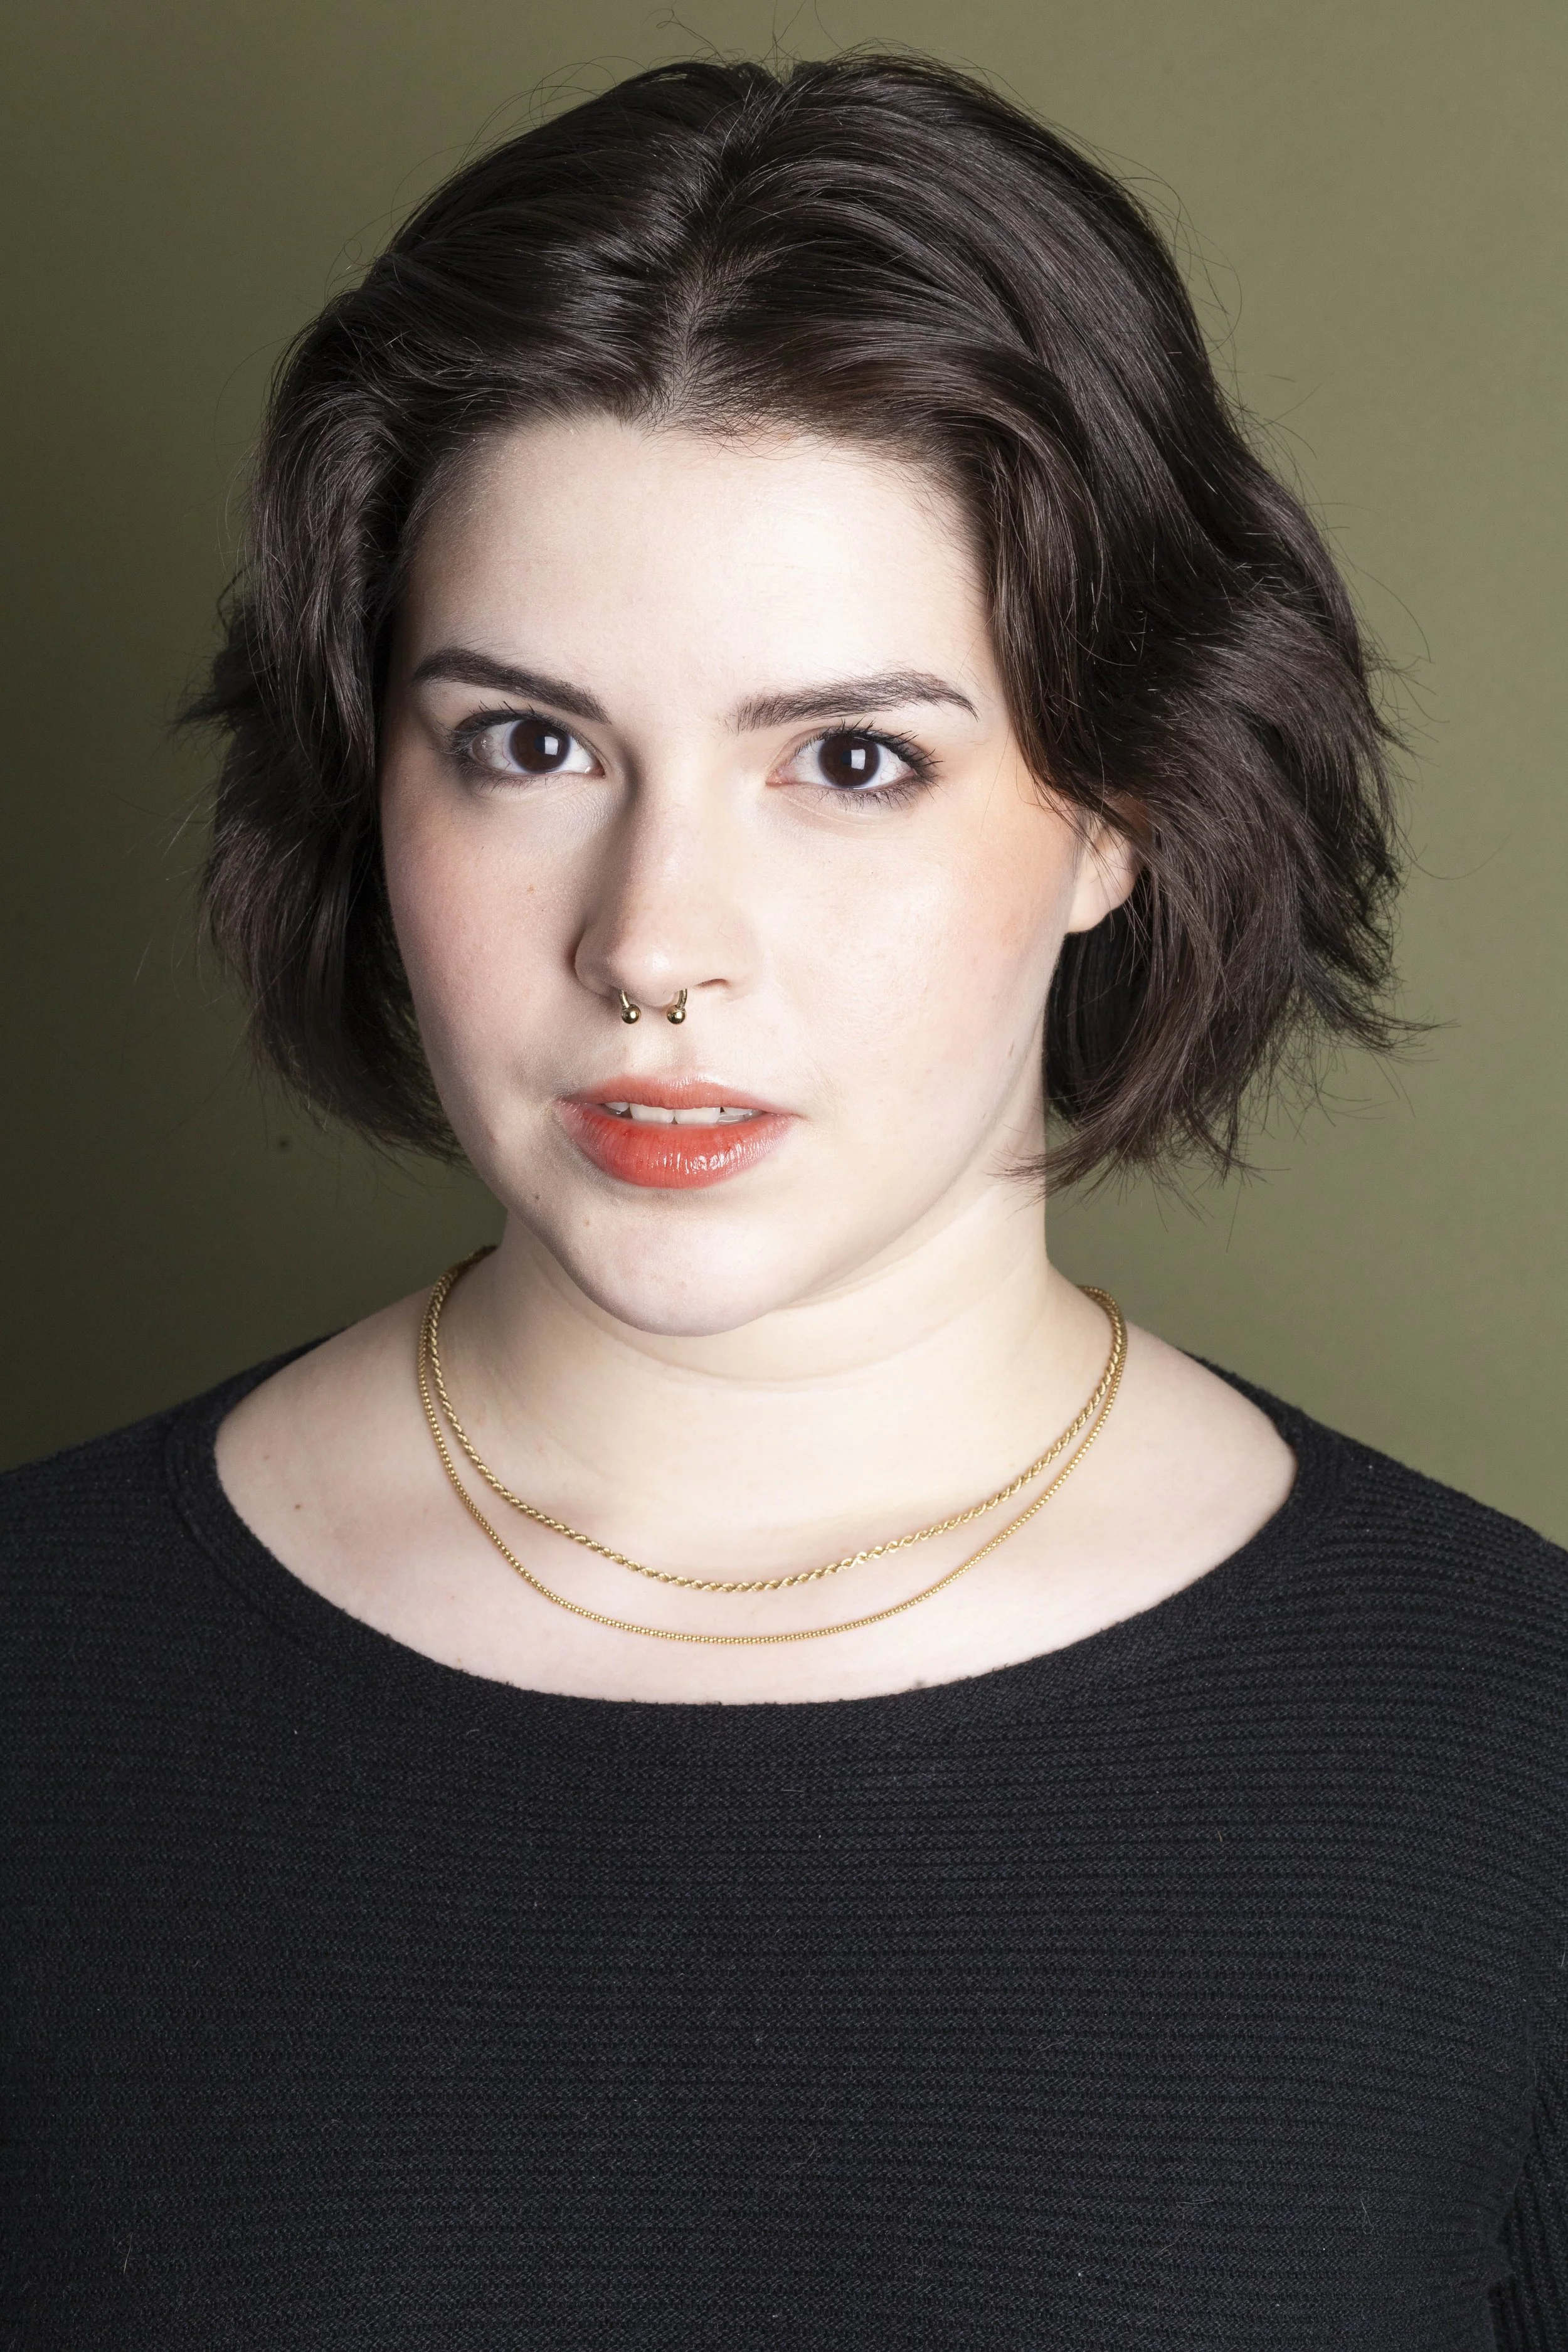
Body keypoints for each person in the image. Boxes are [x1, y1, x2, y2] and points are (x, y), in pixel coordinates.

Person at [3, 53, 1564, 2349]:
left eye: (851, 759)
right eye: (528, 743)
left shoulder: (1508, 1767)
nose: (654, 937)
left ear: (1117, 802)